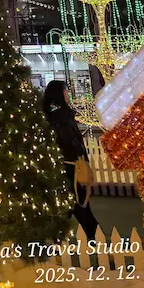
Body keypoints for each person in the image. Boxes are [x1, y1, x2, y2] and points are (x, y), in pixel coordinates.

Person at [43, 80, 99, 241]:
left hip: (69, 165)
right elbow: (68, 140)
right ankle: (93, 237)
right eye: (65, 91)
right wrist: (81, 157)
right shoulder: (60, 116)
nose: (68, 94)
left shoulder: (57, 114)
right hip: (70, 166)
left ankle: (58, 237)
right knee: (79, 204)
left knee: (73, 204)